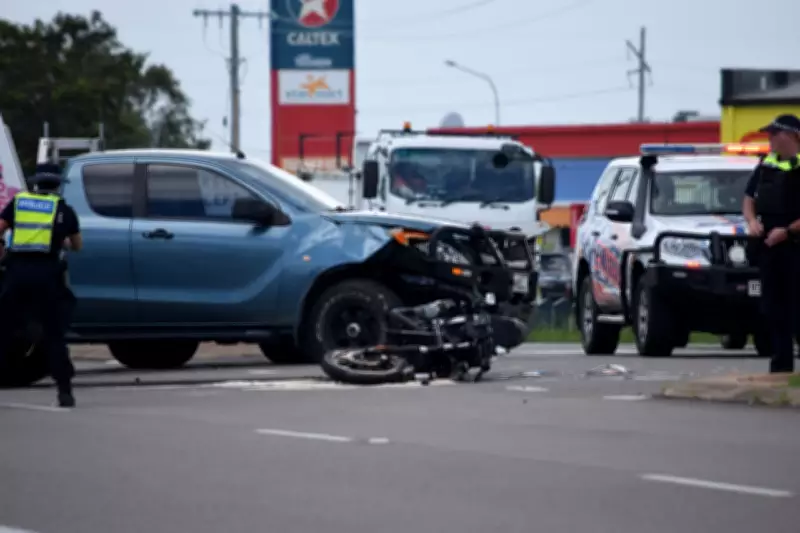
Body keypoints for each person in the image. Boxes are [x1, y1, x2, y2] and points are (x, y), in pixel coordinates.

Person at [0, 163, 82, 407]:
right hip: (47, 277)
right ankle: (64, 391)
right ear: (58, 184)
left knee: (4, 331)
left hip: (17, 275)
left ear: (36, 182)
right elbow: (77, 245)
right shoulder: (64, 210)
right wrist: (63, 241)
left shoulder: (19, 203)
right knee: (54, 334)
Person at [742, 113, 800, 373]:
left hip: (795, 246)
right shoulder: (767, 164)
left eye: (774, 134)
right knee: (773, 309)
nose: (770, 139)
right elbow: (748, 198)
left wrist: (787, 231)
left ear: (791, 136)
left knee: (797, 308)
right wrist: (752, 221)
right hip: (769, 248)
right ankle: (780, 367)